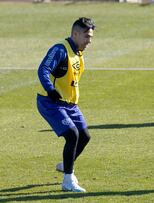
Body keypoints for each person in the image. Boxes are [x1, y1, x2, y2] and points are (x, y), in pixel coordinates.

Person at [36, 17, 95, 192]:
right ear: (75, 34)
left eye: (91, 37)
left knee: (84, 136)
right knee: (72, 134)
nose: (89, 41)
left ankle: (66, 164)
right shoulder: (60, 50)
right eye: (86, 36)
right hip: (51, 102)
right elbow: (43, 69)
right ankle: (68, 180)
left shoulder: (78, 51)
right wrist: (50, 90)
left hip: (70, 105)